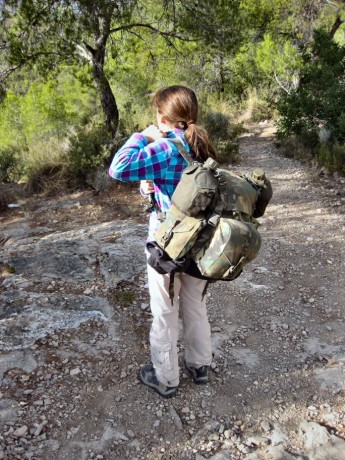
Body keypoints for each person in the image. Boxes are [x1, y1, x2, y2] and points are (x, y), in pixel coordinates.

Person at [109, 85, 217, 398]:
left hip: (167, 247)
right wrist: (150, 189)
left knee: (165, 312)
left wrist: (144, 136)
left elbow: (118, 167)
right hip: (200, 244)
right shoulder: (201, 144)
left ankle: (165, 378)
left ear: (162, 115)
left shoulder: (163, 146)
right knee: (196, 306)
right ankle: (200, 366)